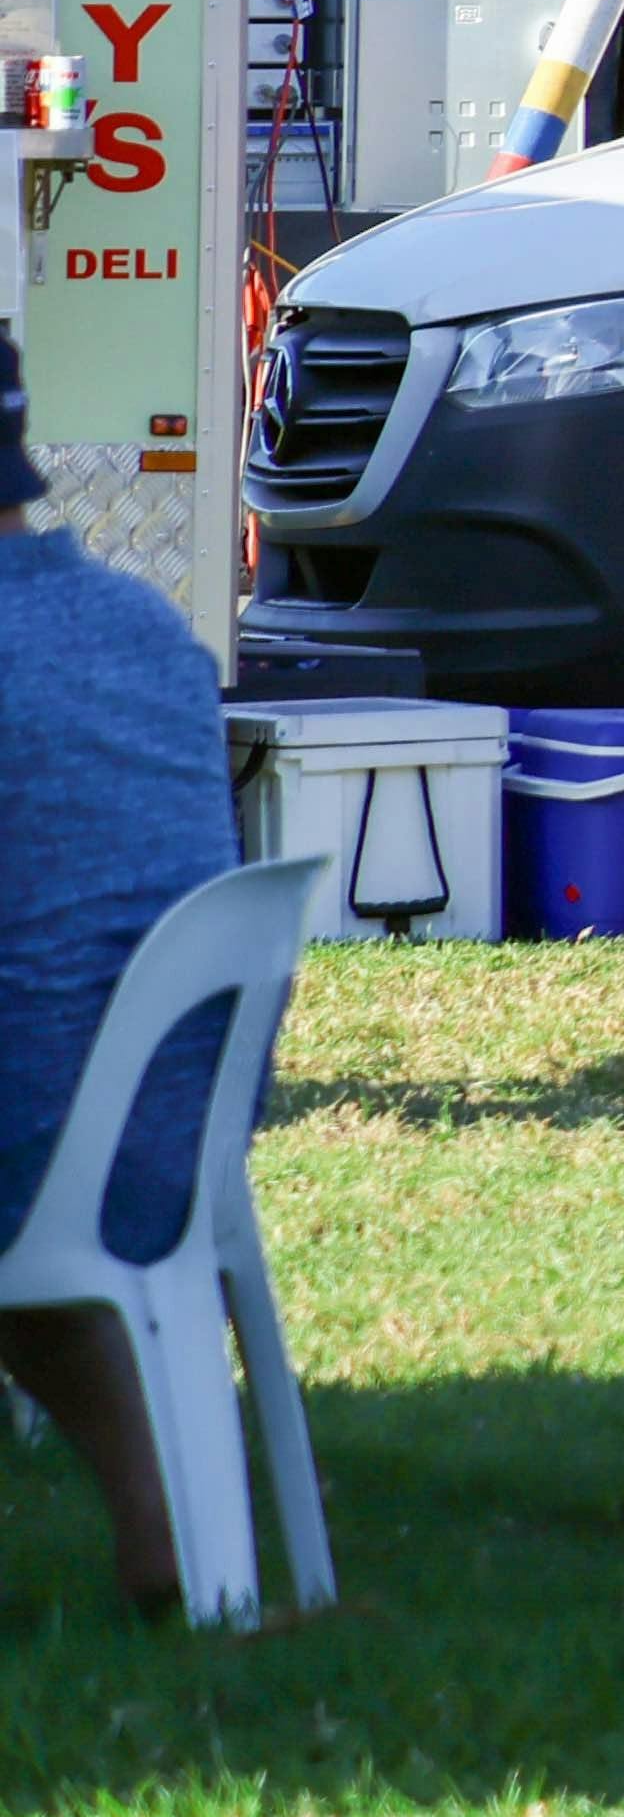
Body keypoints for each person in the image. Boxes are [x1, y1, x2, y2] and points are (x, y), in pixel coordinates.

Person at [0, 362, 240, 1612]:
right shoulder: (148, 626)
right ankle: (160, 1520)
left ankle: (158, 1522)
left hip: (33, 1151)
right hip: (175, 1144)